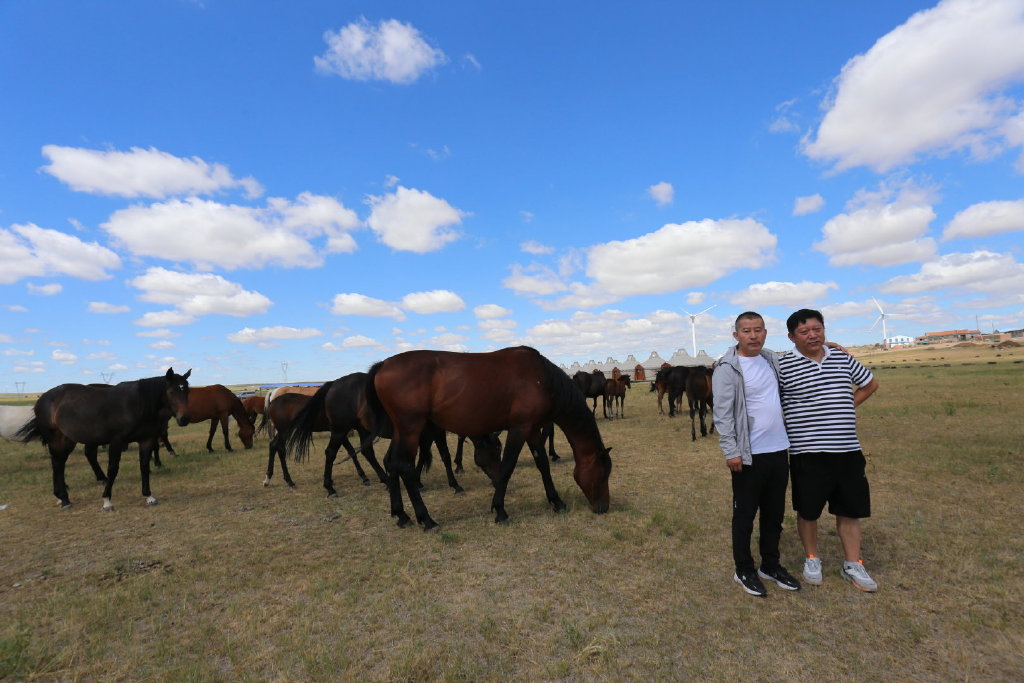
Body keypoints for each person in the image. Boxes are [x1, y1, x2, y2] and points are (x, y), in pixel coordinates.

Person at [778, 309, 879, 592]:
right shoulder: (783, 366)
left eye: (817, 329)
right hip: (806, 452)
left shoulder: (843, 358)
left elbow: (870, 384)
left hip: (847, 449)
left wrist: (848, 405)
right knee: (808, 510)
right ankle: (812, 558)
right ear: (791, 337)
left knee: (849, 510)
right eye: (804, 331)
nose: (813, 335)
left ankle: (853, 563)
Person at [713, 311, 801, 598]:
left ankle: (770, 565)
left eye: (759, 330)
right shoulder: (728, 367)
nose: (754, 336)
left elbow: (802, 352)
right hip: (749, 455)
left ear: (765, 332)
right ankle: (743, 569)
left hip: (779, 448)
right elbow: (723, 414)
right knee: (745, 515)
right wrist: (731, 451)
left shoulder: (771, 359)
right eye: (747, 331)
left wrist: (830, 345)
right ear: (736, 334)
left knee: (774, 514)